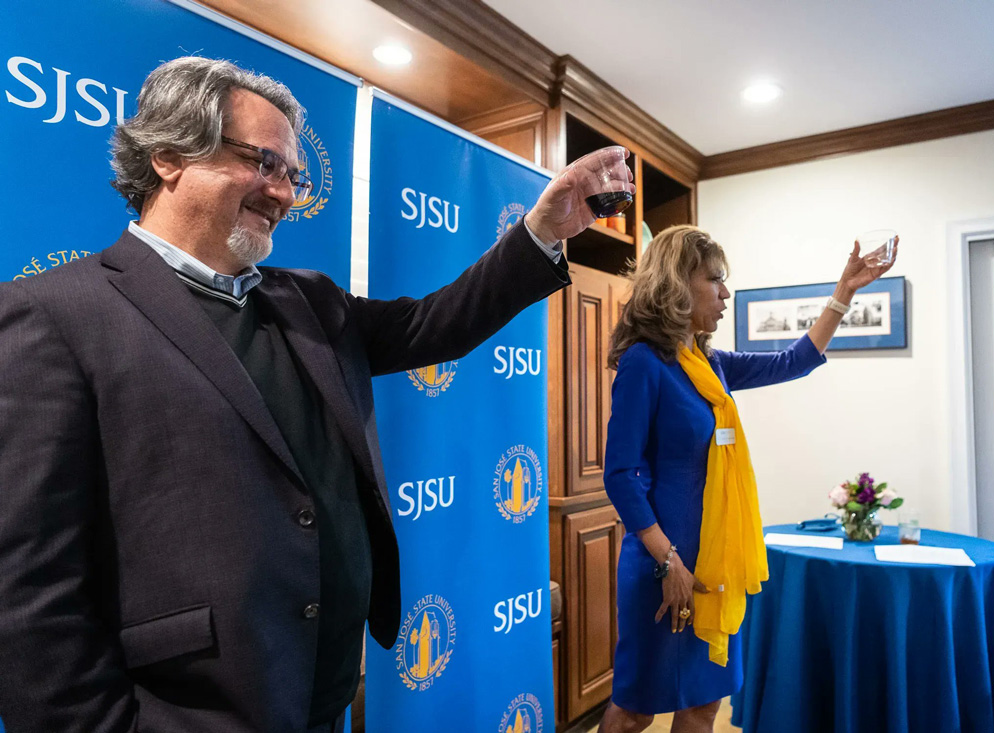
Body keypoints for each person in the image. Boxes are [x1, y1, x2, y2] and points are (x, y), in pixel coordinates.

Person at [0, 56, 632, 733]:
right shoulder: (52, 314)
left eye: (293, 175)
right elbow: (29, 595)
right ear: (168, 156)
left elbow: (435, 324)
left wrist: (539, 232)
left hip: (322, 700)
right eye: (263, 163)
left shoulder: (309, 300)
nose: (285, 193)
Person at [598, 225, 898, 733]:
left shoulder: (709, 365)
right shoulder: (644, 364)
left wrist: (844, 292)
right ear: (676, 283)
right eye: (715, 279)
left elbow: (795, 361)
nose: (725, 293)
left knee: (702, 705)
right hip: (663, 566)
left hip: (716, 565)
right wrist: (668, 560)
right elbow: (621, 475)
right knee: (635, 709)